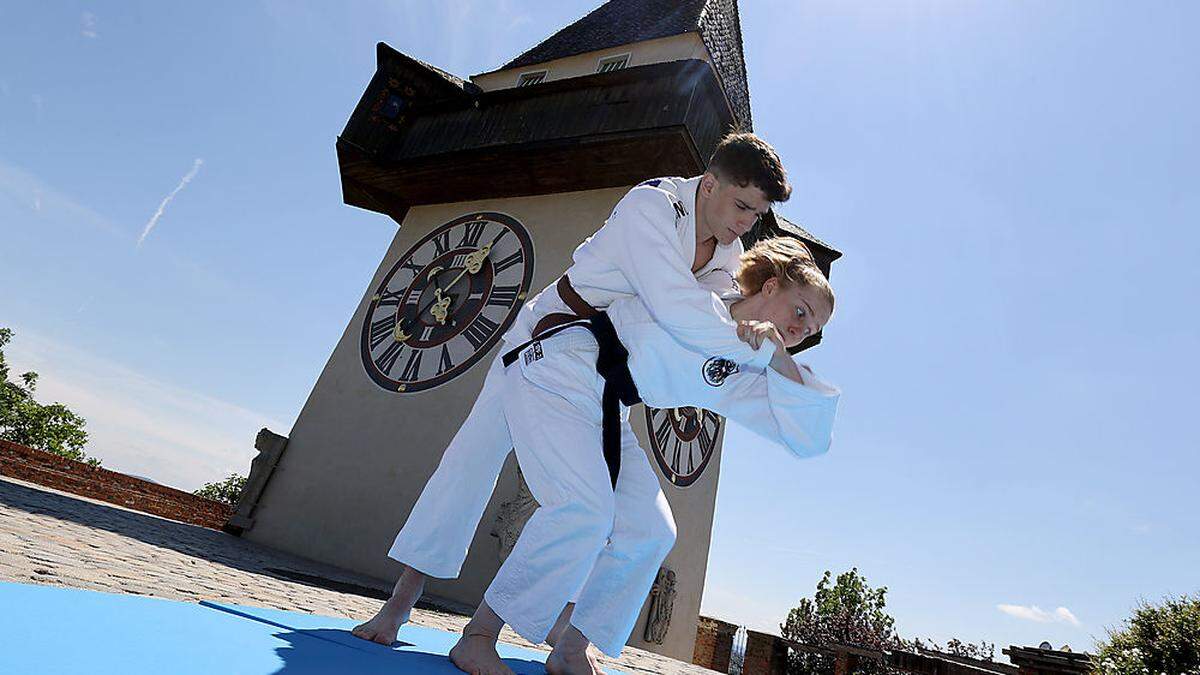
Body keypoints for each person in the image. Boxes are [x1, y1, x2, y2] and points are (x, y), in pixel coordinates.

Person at [353, 133, 793, 649]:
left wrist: (763, 336)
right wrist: (738, 333)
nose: (745, 221)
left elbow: (714, 331)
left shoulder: (727, 257)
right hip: (543, 341)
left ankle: (569, 637)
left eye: (755, 213)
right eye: (741, 205)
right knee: (470, 460)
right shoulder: (653, 204)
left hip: (604, 378)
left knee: (616, 512)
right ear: (710, 183)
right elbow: (676, 308)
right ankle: (400, 603)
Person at [441, 236, 838, 675]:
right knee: (585, 509)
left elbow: (808, 436)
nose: (802, 328)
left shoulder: (743, 371)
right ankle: (478, 636)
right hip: (557, 369)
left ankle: (572, 648)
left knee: (652, 530)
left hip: (606, 405)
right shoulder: (698, 289)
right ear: (770, 288)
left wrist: (779, 355)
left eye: (811, 330)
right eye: (800, 311)